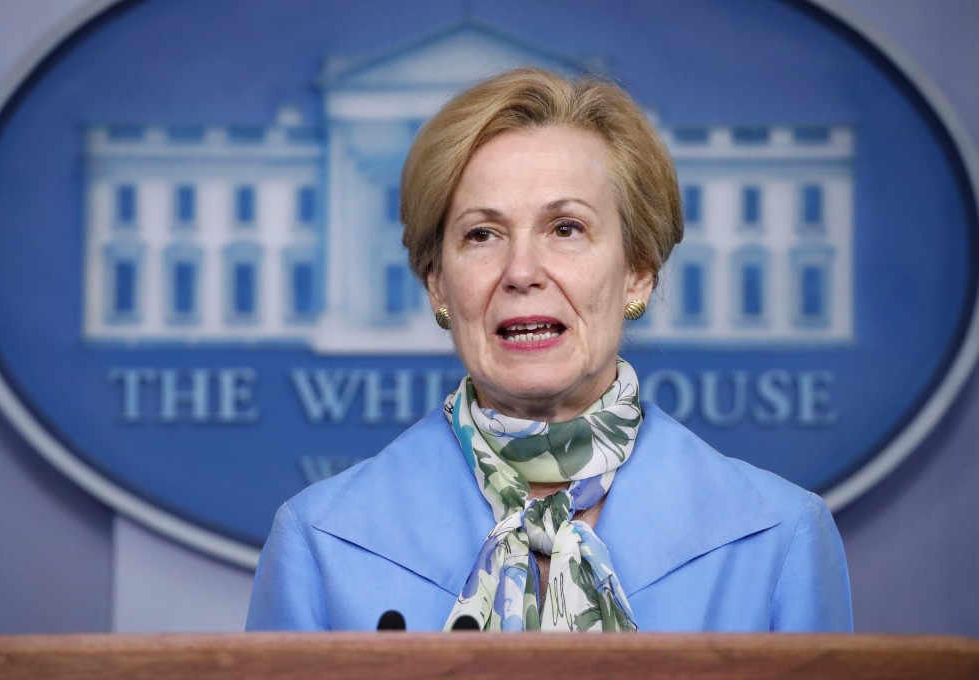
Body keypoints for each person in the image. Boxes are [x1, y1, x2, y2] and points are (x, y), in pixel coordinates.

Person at [246, 68, 853, 632]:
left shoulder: (780, 538)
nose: (522, 271)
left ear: (638, 270)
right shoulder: (320, 542)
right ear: (437, 283)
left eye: (566, 229)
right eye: (482, 235)